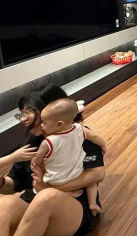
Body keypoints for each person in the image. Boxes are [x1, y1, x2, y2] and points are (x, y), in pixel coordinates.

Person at [0, 85, 106, 236]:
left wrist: (49, 187)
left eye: (29, 113)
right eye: (22, 113)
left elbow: (97, 174)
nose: (24, 119)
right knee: (4, 204)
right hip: (33, 204)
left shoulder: (78, 136)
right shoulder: (32, 144)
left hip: (73, 206)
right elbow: (14, 183)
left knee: (47, 197)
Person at [32, 98, 106, 216]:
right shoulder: (79, 129)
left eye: (44, 122)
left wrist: (36, 165)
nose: (41, 125)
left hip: (56, 179)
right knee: (91, 183)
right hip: (77, 173)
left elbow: (37, 159)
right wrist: (103, 145)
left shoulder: (48, 142)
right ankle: (92, 203)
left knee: (39, 188)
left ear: (59, 124)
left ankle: (66, 193)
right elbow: (95, 136)